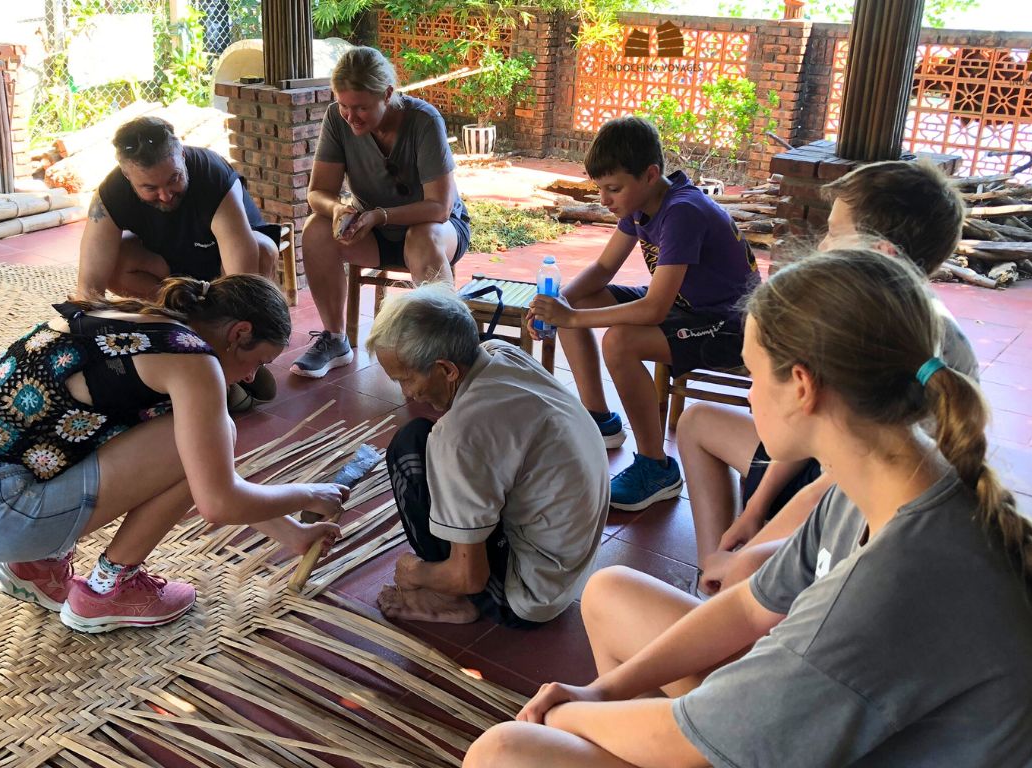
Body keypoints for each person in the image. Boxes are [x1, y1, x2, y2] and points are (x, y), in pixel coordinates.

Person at [463, 249, 1032, 767]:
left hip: (833, 730)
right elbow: (748, 604)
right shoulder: (886, 484)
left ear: (802, 386)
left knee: (507, 752)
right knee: (612, 595)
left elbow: (691, 738)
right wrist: (600, 692)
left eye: (751, 373)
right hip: (862, 728)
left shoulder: (890, 585)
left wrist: (567, 714)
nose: (749, 395)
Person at [0, 274, 347, 633]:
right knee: (212, 438)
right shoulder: (194, 362)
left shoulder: (134, 319)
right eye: (260, 361)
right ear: (239, 334)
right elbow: (218, 501)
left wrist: (292, 533)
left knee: (176, 439)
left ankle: (35, 566)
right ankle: (109, 590)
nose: (252, 376)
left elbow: (207, 470)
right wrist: (309, 495)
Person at [682, 159, 978, 593]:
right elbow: (808, 420)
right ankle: (713, 577)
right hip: (822, 468)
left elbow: (837, 486)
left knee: (729, 576)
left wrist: (752, 552)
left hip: (854, 505)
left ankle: (727, 590)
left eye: (835, 233)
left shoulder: (899, 341)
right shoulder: (859, 314)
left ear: (880, 255)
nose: (821, 246)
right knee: (696, 422)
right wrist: (752, 513)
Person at [528, 116, 759, 512]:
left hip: (731, 326)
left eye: (613, 189)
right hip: (686, 308)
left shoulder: (683, 212)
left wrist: (569, 319)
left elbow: (655, 307)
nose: (604, 199)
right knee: (581, 300)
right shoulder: (642, 205)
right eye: (600, 188)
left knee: (619, 342)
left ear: (650, 175)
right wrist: (554, 306)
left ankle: (657, 467)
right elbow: (603, 270)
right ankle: (600, 419)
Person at [368, 285, 609, 627]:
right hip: (571, 565)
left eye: (406, 379)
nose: (407, 393)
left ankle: (447, 601)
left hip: (528, 596)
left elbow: (469, 577)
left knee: (409, 447)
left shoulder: (459, 435)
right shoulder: (501, 354)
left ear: (447, 369)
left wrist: (416, 573)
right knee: (431, 443)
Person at [291, 46, 473, 379]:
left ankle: (444, 352)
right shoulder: (336, 118)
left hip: (438, 230)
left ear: (387, 94)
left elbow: (439, 207)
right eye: (344, 105)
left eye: (360, 107)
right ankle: (334, 339)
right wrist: (337, 209)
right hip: (372, 230)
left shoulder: (423, 121)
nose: (350, 116)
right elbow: (317, 193)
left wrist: (380, 215)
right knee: (317, 229)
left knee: (423, 235)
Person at [77, 116, 281, 410]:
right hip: (170, 263)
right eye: (150, 188)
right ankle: (181, 325)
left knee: (263, 250)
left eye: (174, 179)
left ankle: (233, 357)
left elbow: (243, 280)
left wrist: (235, 342)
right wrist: (89, 349)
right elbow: (89, 287)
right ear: (127, 176)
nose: (165, 194)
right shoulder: (110, 193)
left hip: (221, 262)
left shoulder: (213, 175)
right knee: (117, 262)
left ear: (182, 156)